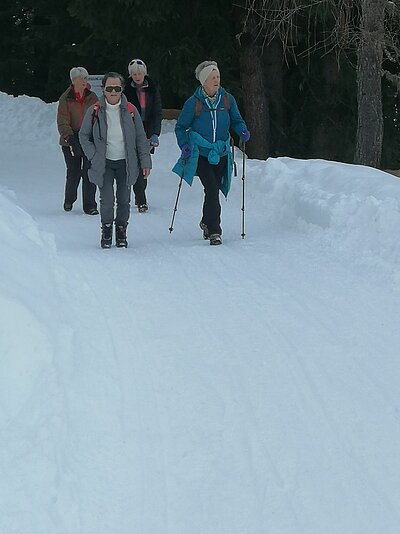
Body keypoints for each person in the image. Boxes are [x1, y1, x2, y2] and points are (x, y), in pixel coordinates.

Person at [173, 60, 250, 245]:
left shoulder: (227, 99)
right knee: (213, 189)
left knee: (212, 191)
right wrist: (184, 144)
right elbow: (181, 127)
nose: (217, 80)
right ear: (204, 81)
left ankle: (207, 222)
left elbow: (236, 120)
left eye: (218, 77)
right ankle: (215, 231)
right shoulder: (194, 103)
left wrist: (242, 130)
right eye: (212, 77)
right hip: (201, 153)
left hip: (221, 153)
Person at [79, 72, 152, 248]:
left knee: (124, 199)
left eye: (117, 88)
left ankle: (121, 230)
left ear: (122, 90)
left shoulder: (131, 111)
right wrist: (94, 155)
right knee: (107, 199)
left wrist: (145, 162)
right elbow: (83, 135)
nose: (113, 92)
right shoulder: (94, 110)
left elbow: (141, 139)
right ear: (103, 89)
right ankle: (106, 231)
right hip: (103, 163)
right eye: (109, 88)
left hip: (126, 163)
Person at [57, 67, 99, 214]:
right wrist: (71, 140)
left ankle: (90, 205)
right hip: (71, 139)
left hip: (88, 139)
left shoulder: (92, 97)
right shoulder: (65, 98)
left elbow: (98, 117)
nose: (85, 81)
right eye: (82, 78)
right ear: (74, 80)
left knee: (89, 171)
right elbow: (62, 122)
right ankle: (69, 199)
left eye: (86, 78)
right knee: (74, 171)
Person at [123, 58, 162, 212]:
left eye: (139, 73)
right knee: (135, 163)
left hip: (147, 128)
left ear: (144, 73)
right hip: (131, 129)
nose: (137, 76)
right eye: (134, 74)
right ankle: (141, 200)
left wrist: (155, 133)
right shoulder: (126, 90)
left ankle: (140, 194)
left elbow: (157, 112)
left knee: (144, 163)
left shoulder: (152, 88)